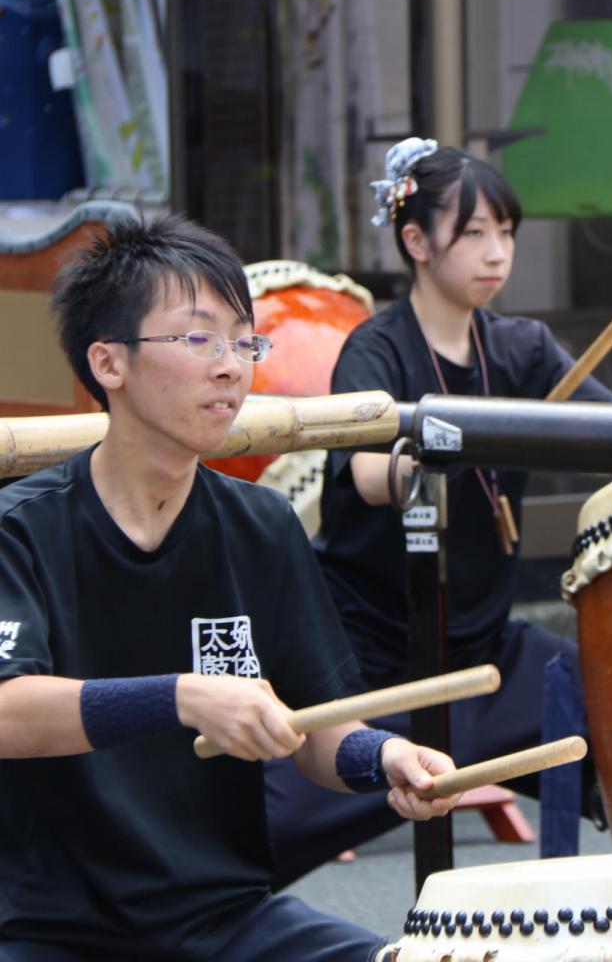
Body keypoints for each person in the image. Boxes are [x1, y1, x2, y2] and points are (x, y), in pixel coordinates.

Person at [0, 215, 461, 962]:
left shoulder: (262, 525)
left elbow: (316, 728)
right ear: (108, 363)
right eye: (198, 339)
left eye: (244, 341)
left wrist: (383, 759)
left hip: (228, 920)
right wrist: (182, 695)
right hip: (53, 932)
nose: (231, 366)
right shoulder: (20, 529)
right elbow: (5, 711)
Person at [264, 136, 612, 883]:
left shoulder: (520, 347)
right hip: (374, 669)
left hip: (489, 657)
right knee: (246, 842)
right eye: (473, 232)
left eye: (504, 232)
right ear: (414, 241)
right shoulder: (373, 350)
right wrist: (446, 440)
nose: (495, 252)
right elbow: (373, 473)